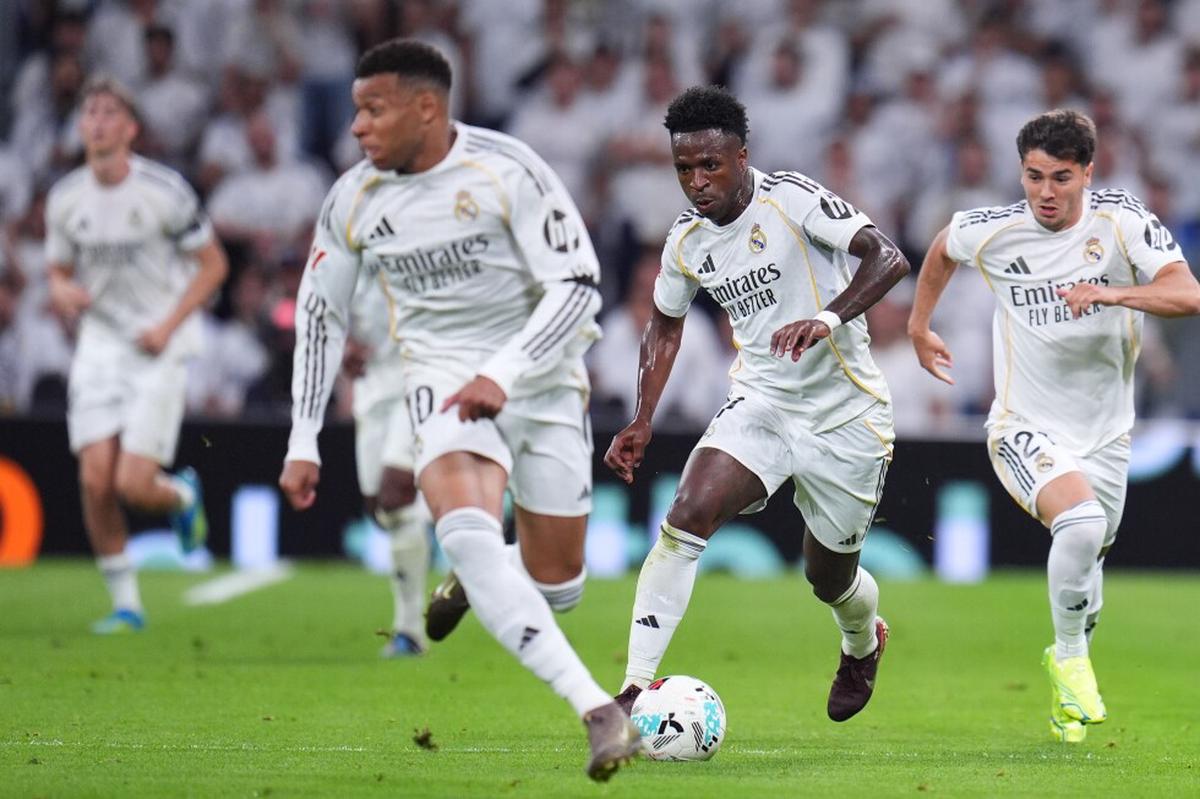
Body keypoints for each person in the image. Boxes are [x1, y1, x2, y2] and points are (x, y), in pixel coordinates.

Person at [276, 39, 640, 781]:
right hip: (439, 377)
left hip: (541, 375)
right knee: (467, 532)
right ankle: (599, 711)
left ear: (426, 108)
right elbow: (319, 313)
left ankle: (480, 579)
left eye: (373, 110)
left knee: (559, 585)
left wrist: (503, 371)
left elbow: (578, 286)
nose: (357, 126)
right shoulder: (353, 198)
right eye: (356, 111)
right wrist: (303, 436)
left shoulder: (509, 170)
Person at [605, 85, 910, 723]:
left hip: (846, 416)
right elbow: (665, 324)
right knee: (686, 513)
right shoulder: (686, 240)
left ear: (741, 157)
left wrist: (826, 319)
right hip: (763, 402)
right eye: (684, 168)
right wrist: (642, 417)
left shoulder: (791, 200)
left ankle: (861, 641)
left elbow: (888, 257)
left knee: (829, 578)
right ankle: (632, 689)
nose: (697, 182)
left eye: (710, 165)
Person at [907, 109, 1200, 743]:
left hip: (1107, 436)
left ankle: (1069, 672)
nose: (1045, 192)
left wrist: (1113, 293)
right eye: (1034, 176)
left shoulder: (1121, 223)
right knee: (1082, 523)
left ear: (1088, 173)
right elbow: (943, 247)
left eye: (1061, 177)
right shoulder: (995, 228)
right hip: (1023, 424)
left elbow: (1188, 294)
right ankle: (1069, 658)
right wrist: (919, 324)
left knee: (1088, 569)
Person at [45, 76, 228, 633]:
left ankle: (180, 496)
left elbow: (214, 265)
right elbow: (58, 270)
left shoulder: (164, 191)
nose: (97, 122)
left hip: (157, 345)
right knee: (94, 481)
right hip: (100, 346)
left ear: (130, 128)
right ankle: (127, 605)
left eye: (109, 113)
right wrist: (61, 291)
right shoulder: (65, 198)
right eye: (90, 112)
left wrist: (168, 325)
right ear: (81, 126)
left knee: (132, 485)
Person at [343, 272, 430, 658]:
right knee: (380, 509)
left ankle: (409, 630)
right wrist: (342, 344)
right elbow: (324, 302)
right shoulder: (346, 243)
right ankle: (444, 516)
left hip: (421, 374)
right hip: (372, 382)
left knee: (395, 493)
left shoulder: (424, 239)